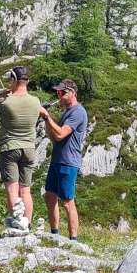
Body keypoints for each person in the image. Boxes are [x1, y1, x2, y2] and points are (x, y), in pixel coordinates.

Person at [0, 66, 41, 230]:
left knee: (12, 190)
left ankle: (16, 225)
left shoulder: (5, 102)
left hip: (9, 148)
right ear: (28, 81)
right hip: (29, 149)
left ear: (14, 80)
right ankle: (27, 225)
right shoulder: (36, 101)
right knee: (26, 191)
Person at [40, 79, 87, 241]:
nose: (58, 96)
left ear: (72, 93)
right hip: (57, 159)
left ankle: (73, 240)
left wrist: (47, 116)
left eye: (62, 92)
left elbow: (60, 134)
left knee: (67, 201)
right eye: (57, 93)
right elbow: (54, 138)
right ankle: (55, 235)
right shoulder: (67, 112)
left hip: (68, 162)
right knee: (50, 196)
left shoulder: (78, 112)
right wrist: (46, 119)